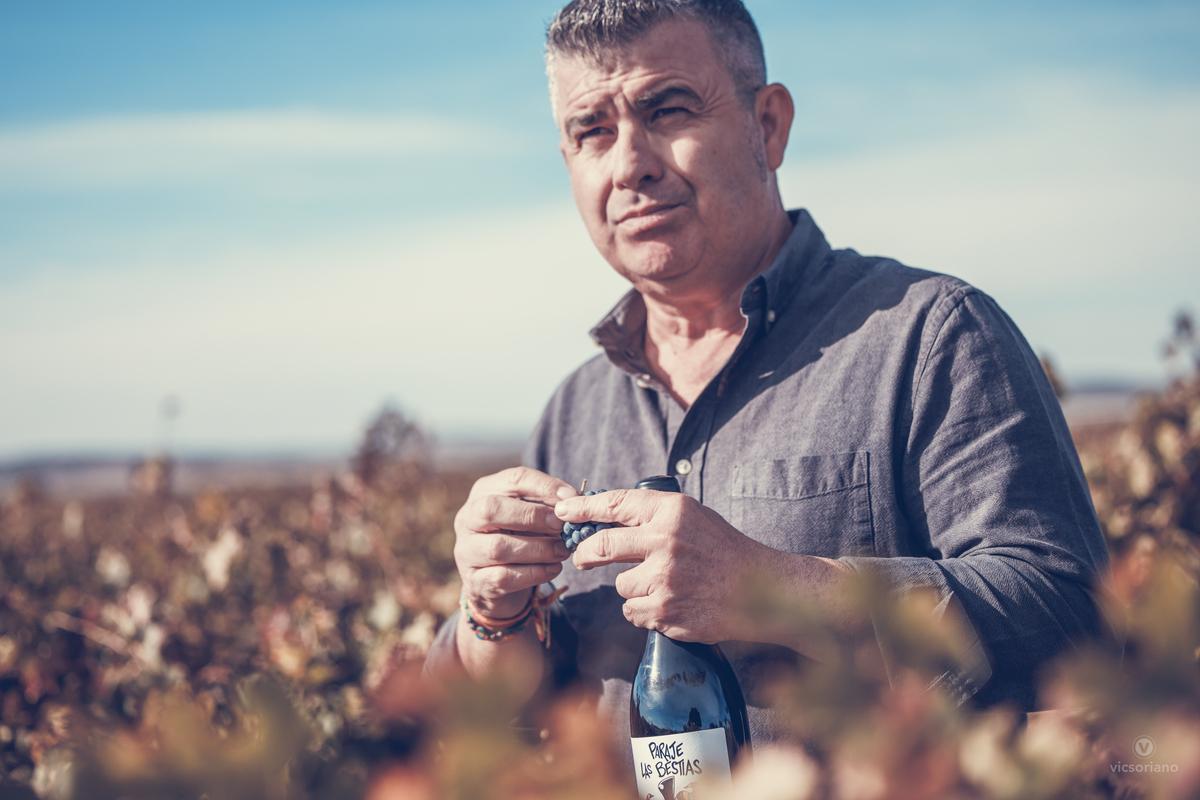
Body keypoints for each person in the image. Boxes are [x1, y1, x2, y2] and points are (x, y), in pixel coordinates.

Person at [423, 0, 1110, 771]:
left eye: (668, 108)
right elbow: (488, 723)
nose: (630, 163)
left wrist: (778, 589)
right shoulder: (573, 410)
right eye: (593, 131)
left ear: (769, 126)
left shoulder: (933, 335)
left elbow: (1070, 620)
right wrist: (490, 616)